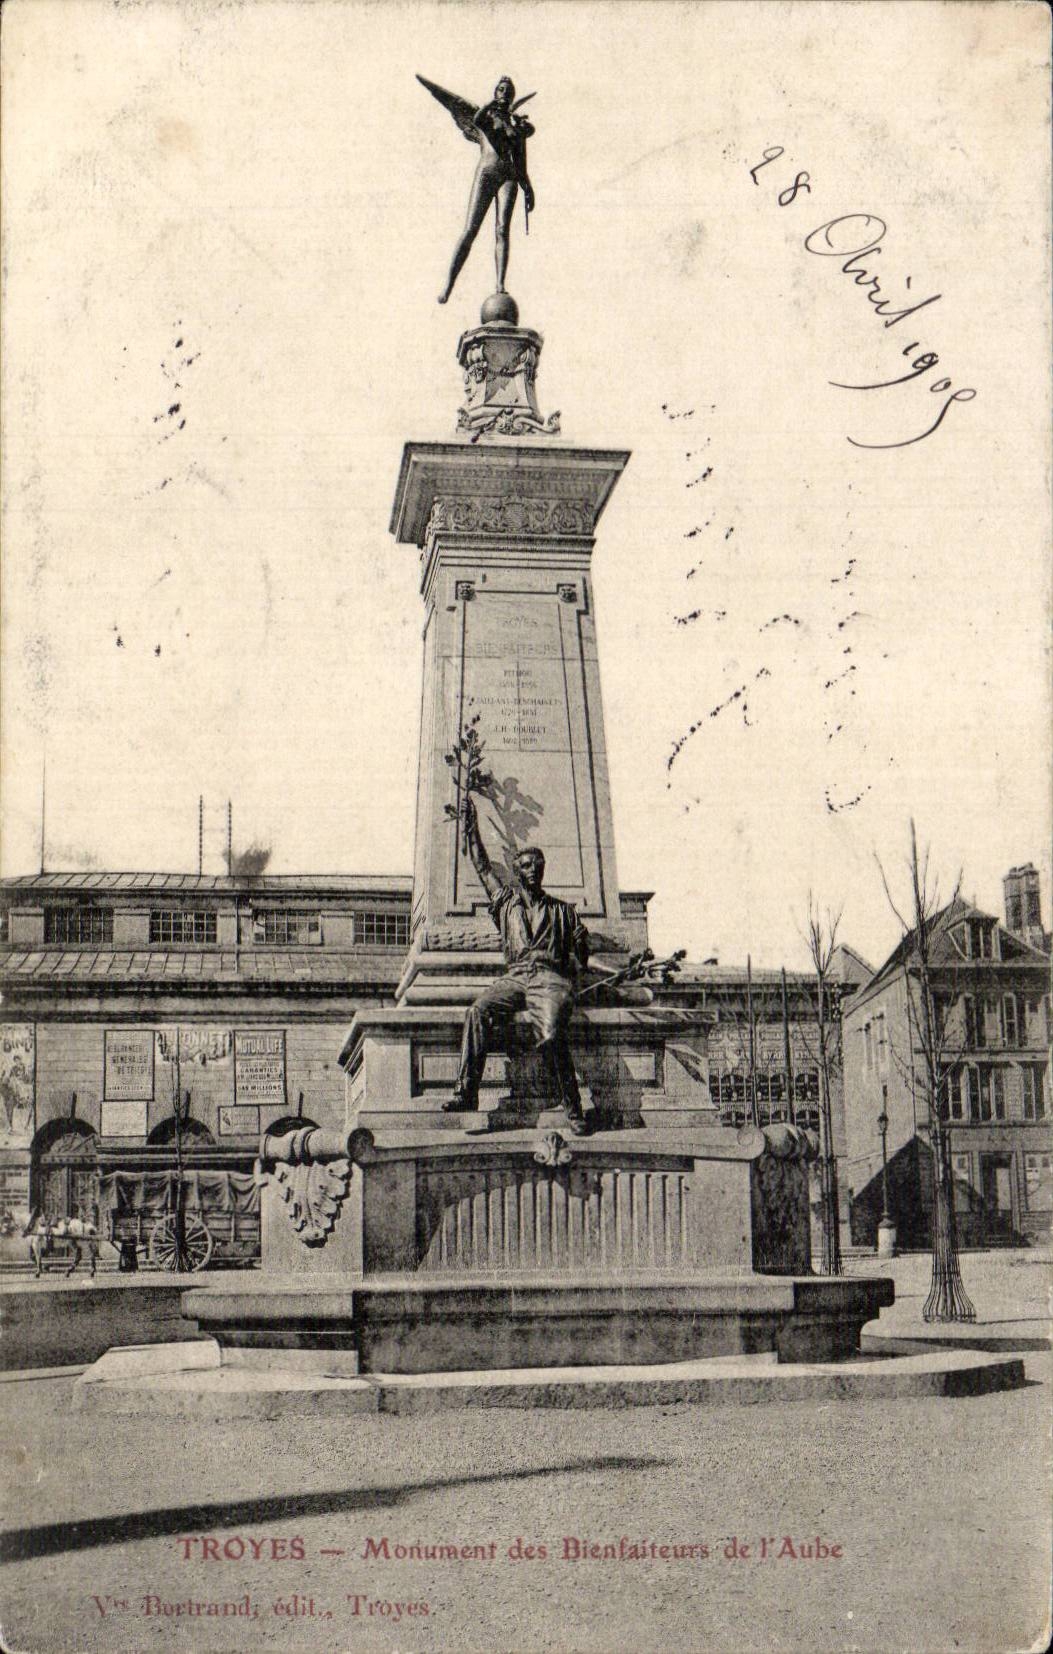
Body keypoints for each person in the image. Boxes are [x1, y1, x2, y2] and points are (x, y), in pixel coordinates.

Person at [445, 792, 590, 1132]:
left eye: (538, 866)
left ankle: (574, 1108)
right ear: (516, 871)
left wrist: (579, 956)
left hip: (548, 979)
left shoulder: (563, 911)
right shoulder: (504, 903)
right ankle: (467, 1091)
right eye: (526, 866)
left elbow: (580, 954)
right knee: (477, 1011)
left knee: (551, 1034)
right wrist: (471, 825)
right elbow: (481, 865)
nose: (533, 870)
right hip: (515, 977)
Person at [417, 74, 535, 304]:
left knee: (502, 230)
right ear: (495, 92)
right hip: (487, 172)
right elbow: (478, 119)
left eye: (508, 91)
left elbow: (521, 162)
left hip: (508, 176)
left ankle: (500, 285)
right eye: (501, 89)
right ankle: (448, 286)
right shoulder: (486, 115)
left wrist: (528, 187)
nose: (504, 93)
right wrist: (492, 107)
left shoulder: (516, 125)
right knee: (470, 230)